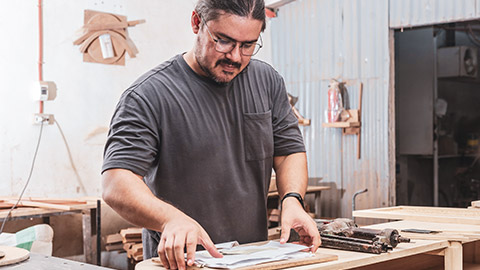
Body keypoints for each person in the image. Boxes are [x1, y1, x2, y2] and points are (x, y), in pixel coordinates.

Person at [101, 0, 321, 269]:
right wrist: (170, 218)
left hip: (253, 259)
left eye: (248, 45)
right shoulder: (148, 95)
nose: (236, 57)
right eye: (224, 41)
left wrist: (292, 200)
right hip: (181, 263)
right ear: (196, 23)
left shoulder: (267, 81)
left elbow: (288, 152)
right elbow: (116, 183)